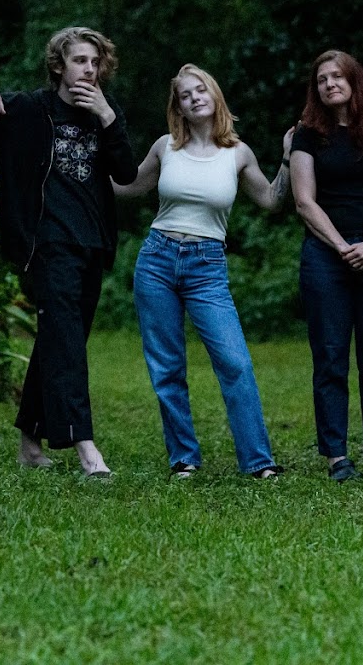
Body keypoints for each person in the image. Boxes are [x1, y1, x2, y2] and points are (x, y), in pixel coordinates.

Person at [0, 27, 138, 476]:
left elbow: (126, 172)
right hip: (47, 243)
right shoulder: (29, 109)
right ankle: (85, 446)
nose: (90, 70)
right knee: (65, 342)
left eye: (96, 63)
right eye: (81, 61)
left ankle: (28, 441)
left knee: (61, 340)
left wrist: (106, 116)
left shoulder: (105, 111)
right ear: (59, 65)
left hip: (93, 243)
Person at [113, 64, 290, 479]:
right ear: (179, 107)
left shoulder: (238, 152)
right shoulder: (164, 147)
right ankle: (184, 458)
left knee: (235, 362)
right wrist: (87, 164)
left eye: (200, 90)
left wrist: (288, 154)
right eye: (185, 95)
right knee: (167, 366)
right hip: (156, 260)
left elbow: (269, 199)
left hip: (207, 266)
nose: (193, 97)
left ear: (214, 95)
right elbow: (129, 187)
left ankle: (258, 462)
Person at [289, 49, 363, 482]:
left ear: (355, 81)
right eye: (322, 79)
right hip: (325, 255)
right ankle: (337, 456)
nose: (330, 84)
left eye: (337, 76)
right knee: (331, 357)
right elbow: (304, 201)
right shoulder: (308, 136)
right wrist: (341, 246)